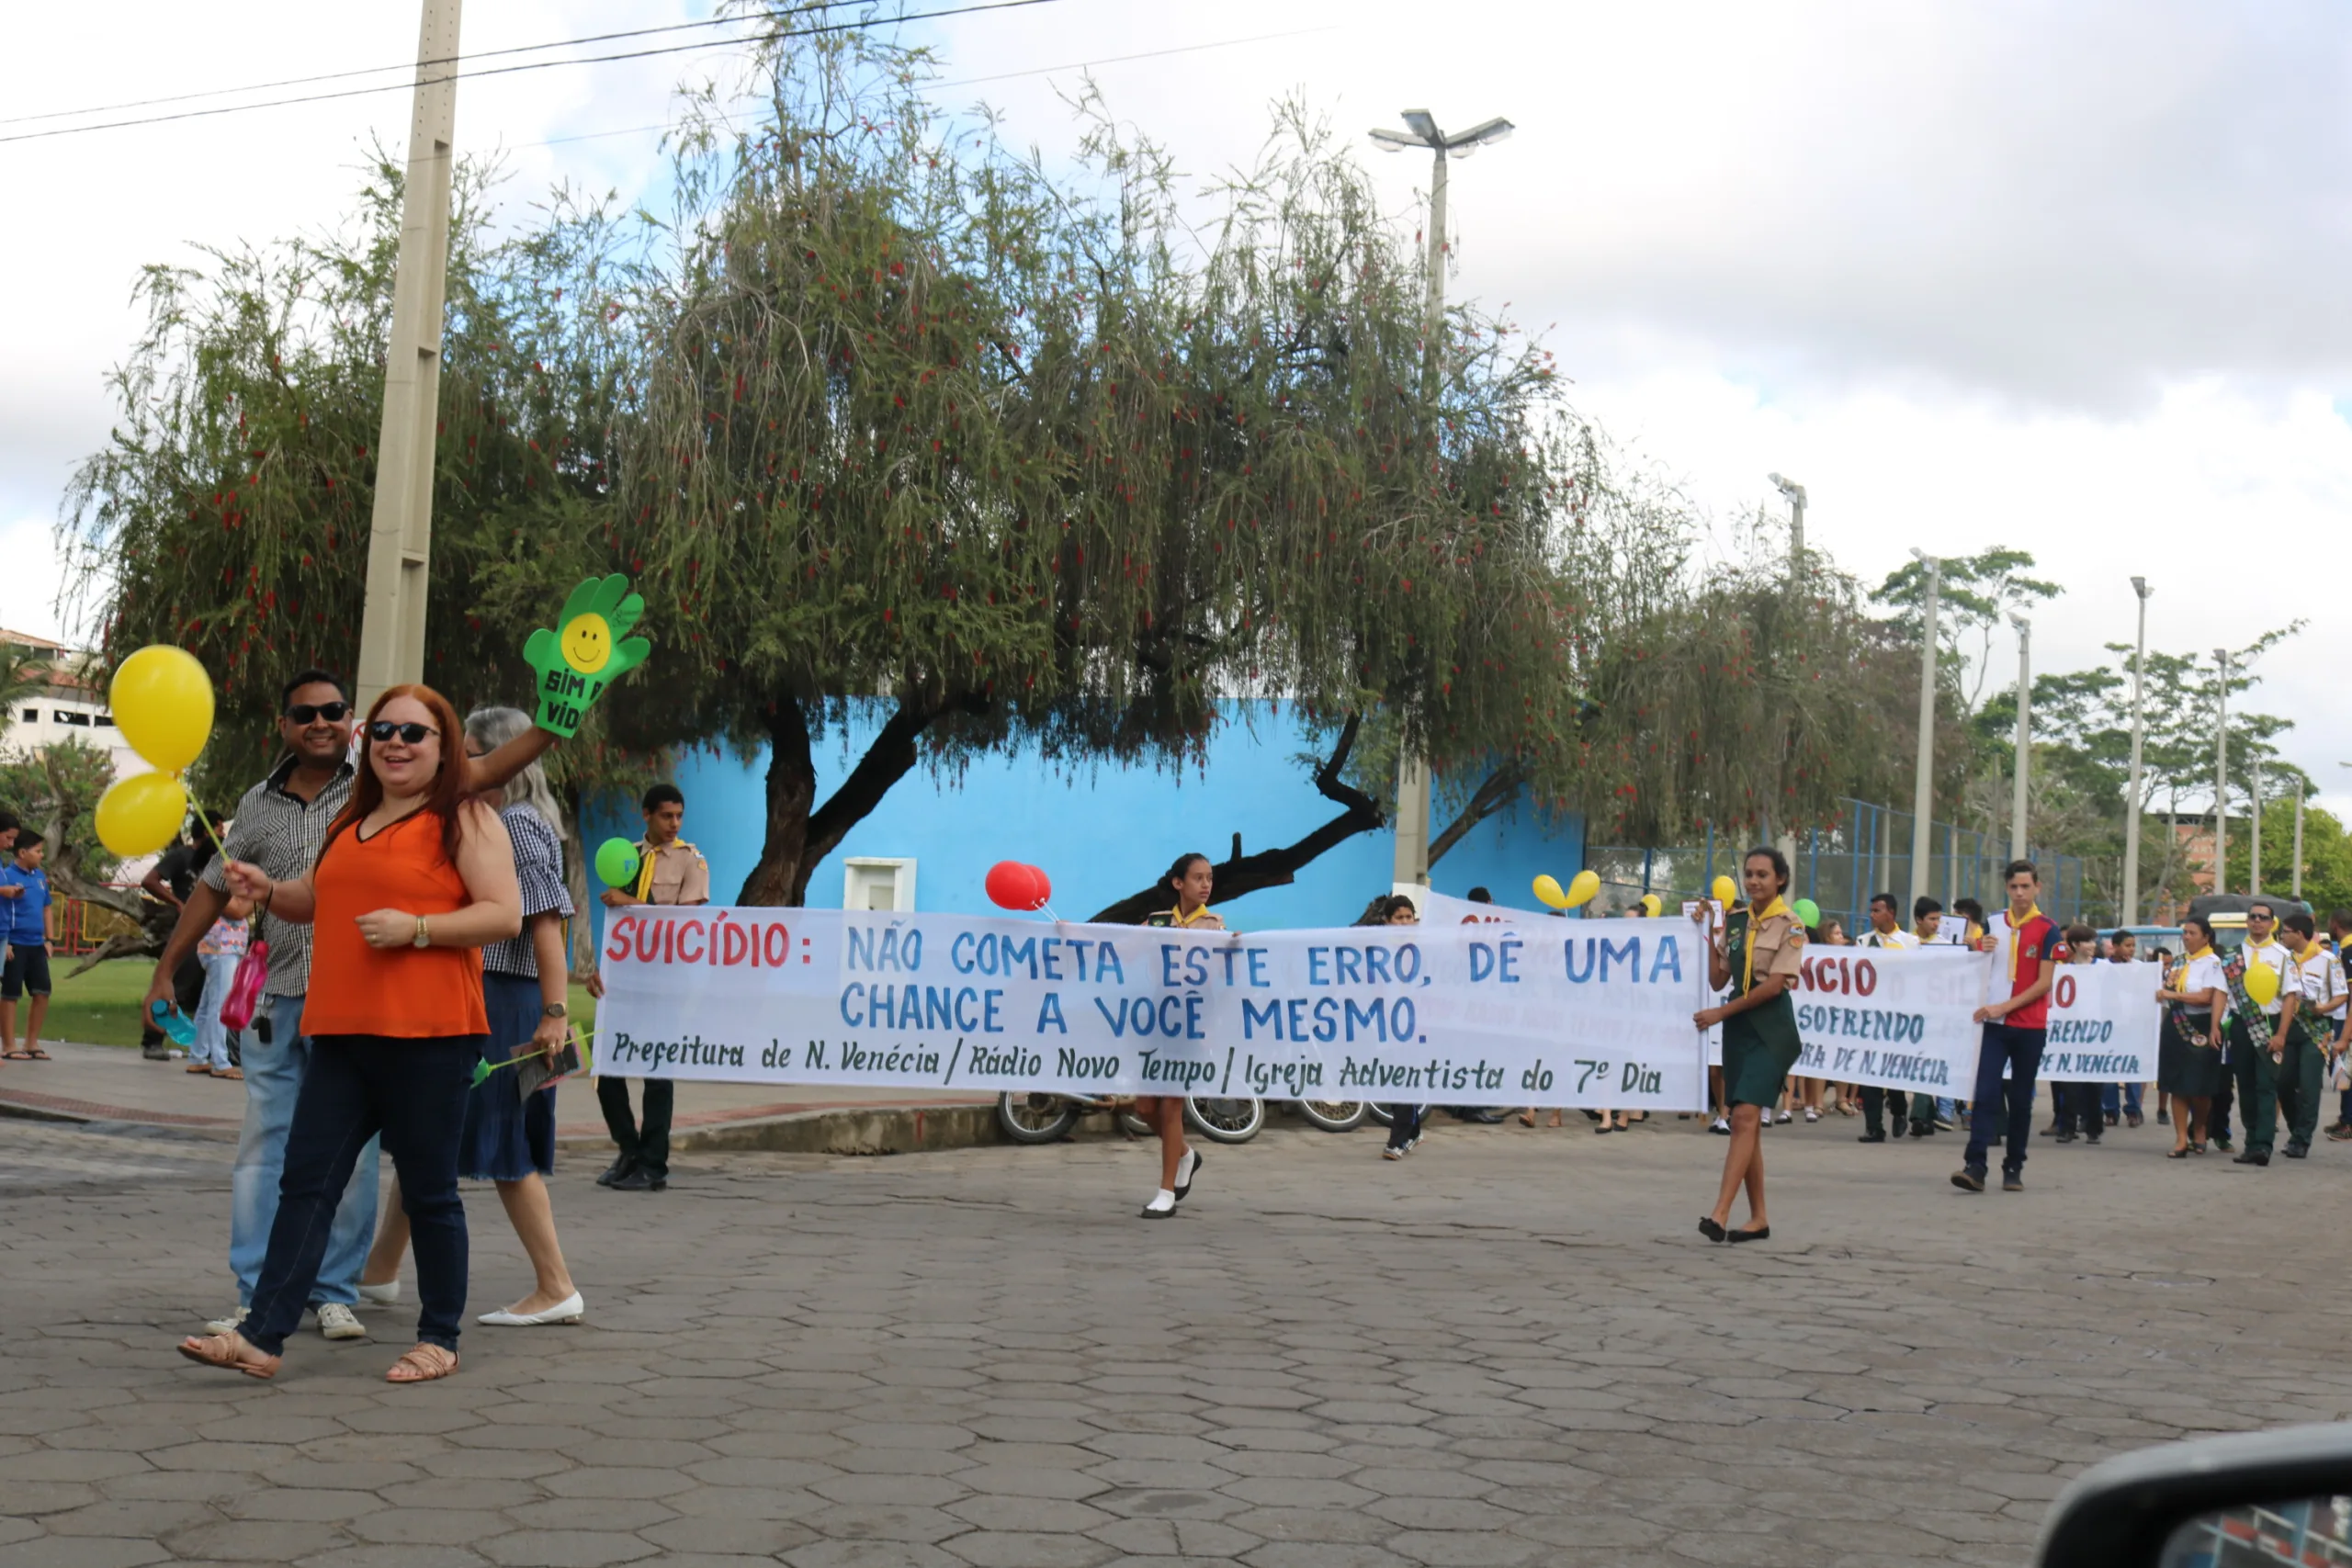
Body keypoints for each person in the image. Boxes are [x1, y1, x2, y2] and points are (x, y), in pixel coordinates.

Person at [149, 669, 554, 1345]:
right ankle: (261, 1335)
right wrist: (266, 886)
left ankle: (439, 1340)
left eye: (414, 733)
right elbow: (313, 898)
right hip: (339, 1028)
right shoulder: (353, 818)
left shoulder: (464, 815)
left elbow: (504, 915)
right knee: (306, 1183)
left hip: (429, 1031)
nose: (395, 744)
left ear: (445, 745)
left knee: (428, 1192)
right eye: (384, 731)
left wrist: (417, 928)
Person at [362, 707, 583, 1325]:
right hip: (492, 996)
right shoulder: (501, 822)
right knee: (431, 1134)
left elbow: (545, 924)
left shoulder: (514, 825)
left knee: (504, 1144)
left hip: (506, 1003)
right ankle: (379, 1269)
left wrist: (553, 1012)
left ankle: (555, 1283)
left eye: (477, 751)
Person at [591, 783, 709, 1192]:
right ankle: (629, 1148)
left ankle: (654, 1165)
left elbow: (684, 924)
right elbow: (615, 925)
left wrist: (630, 902)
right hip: (624, 979)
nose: (674, 823)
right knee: (607, 1066)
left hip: (665, 980)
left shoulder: (690, 861)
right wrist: (597, 967)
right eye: (665, 816)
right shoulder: (629, 857)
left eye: (679, 815)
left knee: (657, 1070)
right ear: (646, 815)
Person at [1692, 847, 1804, 1244]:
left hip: (1770, 1031)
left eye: (1763, 875)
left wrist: (1721, 1014)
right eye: (1749, 874)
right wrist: (1706, 933)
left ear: (1780, 880)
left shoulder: (1792, 926)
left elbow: (1775, 986)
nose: (1754, 881)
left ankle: (1719, 1214)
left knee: (1743, 1118)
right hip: (1739, 1031)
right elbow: (1719, 979)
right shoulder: (1736, 922)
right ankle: (1759, 1219)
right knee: (1746, 1121)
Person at [1951, 861, 2064, 1194]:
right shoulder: (1993, 923)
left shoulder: (2048, 929)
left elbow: (2045, 983)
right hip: (1995, 1025)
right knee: (1984, 1094)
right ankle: (1975, 1165)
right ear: (2006, 888)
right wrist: (1977, 947)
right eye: (2014, 887)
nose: (2019, 893)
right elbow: (1974, 962)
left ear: (2037, 888)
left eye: (2025, 887)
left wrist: (2006, 1006)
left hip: (2030, 1027)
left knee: (2020, 1099)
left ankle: (2014, 1165)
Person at [1135, 853, 1213, 1213]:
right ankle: (1184, 1154)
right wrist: (1075, 933)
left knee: (1170, 1103)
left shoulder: (1214, 925)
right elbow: (1121, 944)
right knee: (1145, 1106)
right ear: (1178, 883)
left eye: (1209, 878)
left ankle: (1166, 1193)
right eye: (1197, 878)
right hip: (1156, 1017)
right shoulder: (1157, 922)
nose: (1205, 884)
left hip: (1190, 1021)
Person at [140, 812, 226, 1062]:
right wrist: (177, 902)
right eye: (219, 829)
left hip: (217, 933)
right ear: (207, 831)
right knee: (174, 985)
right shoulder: (182, 856)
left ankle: (205, 1048)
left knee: (209, 992)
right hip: (189, 932)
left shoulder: (219, 859)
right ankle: (152, 1040)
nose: (223, 834)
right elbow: (150, 880)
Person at [2225, 899, 2292, 1168]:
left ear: (2271, 922)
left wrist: (2282, 1035)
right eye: (2253, 916)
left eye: (2263, 917)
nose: (2257, 921)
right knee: (2246, 1086)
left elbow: (2289, 998)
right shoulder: (2232, 955)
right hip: (2241, 1024)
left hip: (2270, 1024)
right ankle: (2251, 1142)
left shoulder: (2283, 955)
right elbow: (2224, 994)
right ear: (2247, 921)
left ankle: (2263, 1146)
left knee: (2266, 1086)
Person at [2156, 917, 2227, 1158]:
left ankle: (2199, 1127)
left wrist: (2172, 994)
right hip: (2176, 1025)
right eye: (2184, 932)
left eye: (2192, 933)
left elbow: (2207, 997)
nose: (2186, 937)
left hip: (2203, 1025)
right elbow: (2165, 992)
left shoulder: (2214, 963)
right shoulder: (2177, 962)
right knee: (2176, 1083)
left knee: (2200, 1086)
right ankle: (2180, 1139)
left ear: (2206, 937)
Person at [1855, 893, 1919, 1144]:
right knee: (1869, 1072)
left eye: (1877, 910)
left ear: (1891, 913)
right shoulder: (1863, 942)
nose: (1872, 915)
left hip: (1899, 1016)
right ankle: (1874, 1126)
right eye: (1871, 910)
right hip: (1871, 1016)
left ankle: (1899, 1110)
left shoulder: (1910, 943)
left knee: (1893, 1070)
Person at [2274, 911, 2337, 1160]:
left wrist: (2325, 1008)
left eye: (2285, 932)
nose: (2282, 937)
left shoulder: (2328, 960)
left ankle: (2301, 1140)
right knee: (2283, 1083)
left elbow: (2342, 995)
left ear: (2299, 934)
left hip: (2316, 1030)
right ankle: (2296, 1129)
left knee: (2309, 1086)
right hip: (2288, 1028)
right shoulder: (2281, 959)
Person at [188, 892, 254, 1079]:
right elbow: (237, 910)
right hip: (221, 948)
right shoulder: (221, 880)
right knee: (219, 1006)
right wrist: (260, 892)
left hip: (223, 948)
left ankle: (198, 1056)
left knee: (207, 1005)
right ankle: (220, 1061)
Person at [2050, 924, 2105, 1146]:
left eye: (2093, 941)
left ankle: (2094, 1128)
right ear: (2075, 945)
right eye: (2087, 941)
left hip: (2097, 1031)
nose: (2092, 946)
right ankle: (2067, 1127)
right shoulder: (2063, 969)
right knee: (2068, 1083)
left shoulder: (2104, 967)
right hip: (2071, 1032)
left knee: (2094, 1083)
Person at [0, 829, 54, 1060]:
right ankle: (9, 1045)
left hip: (36, 944)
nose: (42, 855)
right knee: (10, 994)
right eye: (38, 851)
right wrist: (5, 942)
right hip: (15, 943)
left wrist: (49, 939)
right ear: (22, 853)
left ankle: (31, 1042)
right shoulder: (6, 876)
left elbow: (47, 907)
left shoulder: (40, 877)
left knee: (42, 991)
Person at [2102, 931, 2144, 1129]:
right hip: (2108, 1025)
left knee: (2131, 1069)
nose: (2132, 950)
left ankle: (2133, 1110)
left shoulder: (2140, 968)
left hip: (2132, 1024)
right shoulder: (2102, 967)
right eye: (2128, 945)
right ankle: (2110, 1111)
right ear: (2115, 946)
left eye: (2133, 946)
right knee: (2109, 1068)